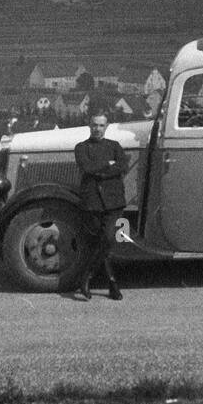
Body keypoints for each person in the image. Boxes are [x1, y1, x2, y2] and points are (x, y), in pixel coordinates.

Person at [72, 113, 127, 300]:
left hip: (113, 202)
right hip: (93, 201)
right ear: (89, 126)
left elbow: (122, 166)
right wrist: (107, 165)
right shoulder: (81, 148)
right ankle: (112, 284)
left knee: (108, 239)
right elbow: (86, 168)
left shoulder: (114, 146)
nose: (97, 129)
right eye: (94, 125)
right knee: (99, 243)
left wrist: (100, 169)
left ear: (106, 126)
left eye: (101, 125)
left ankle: (86, 277)